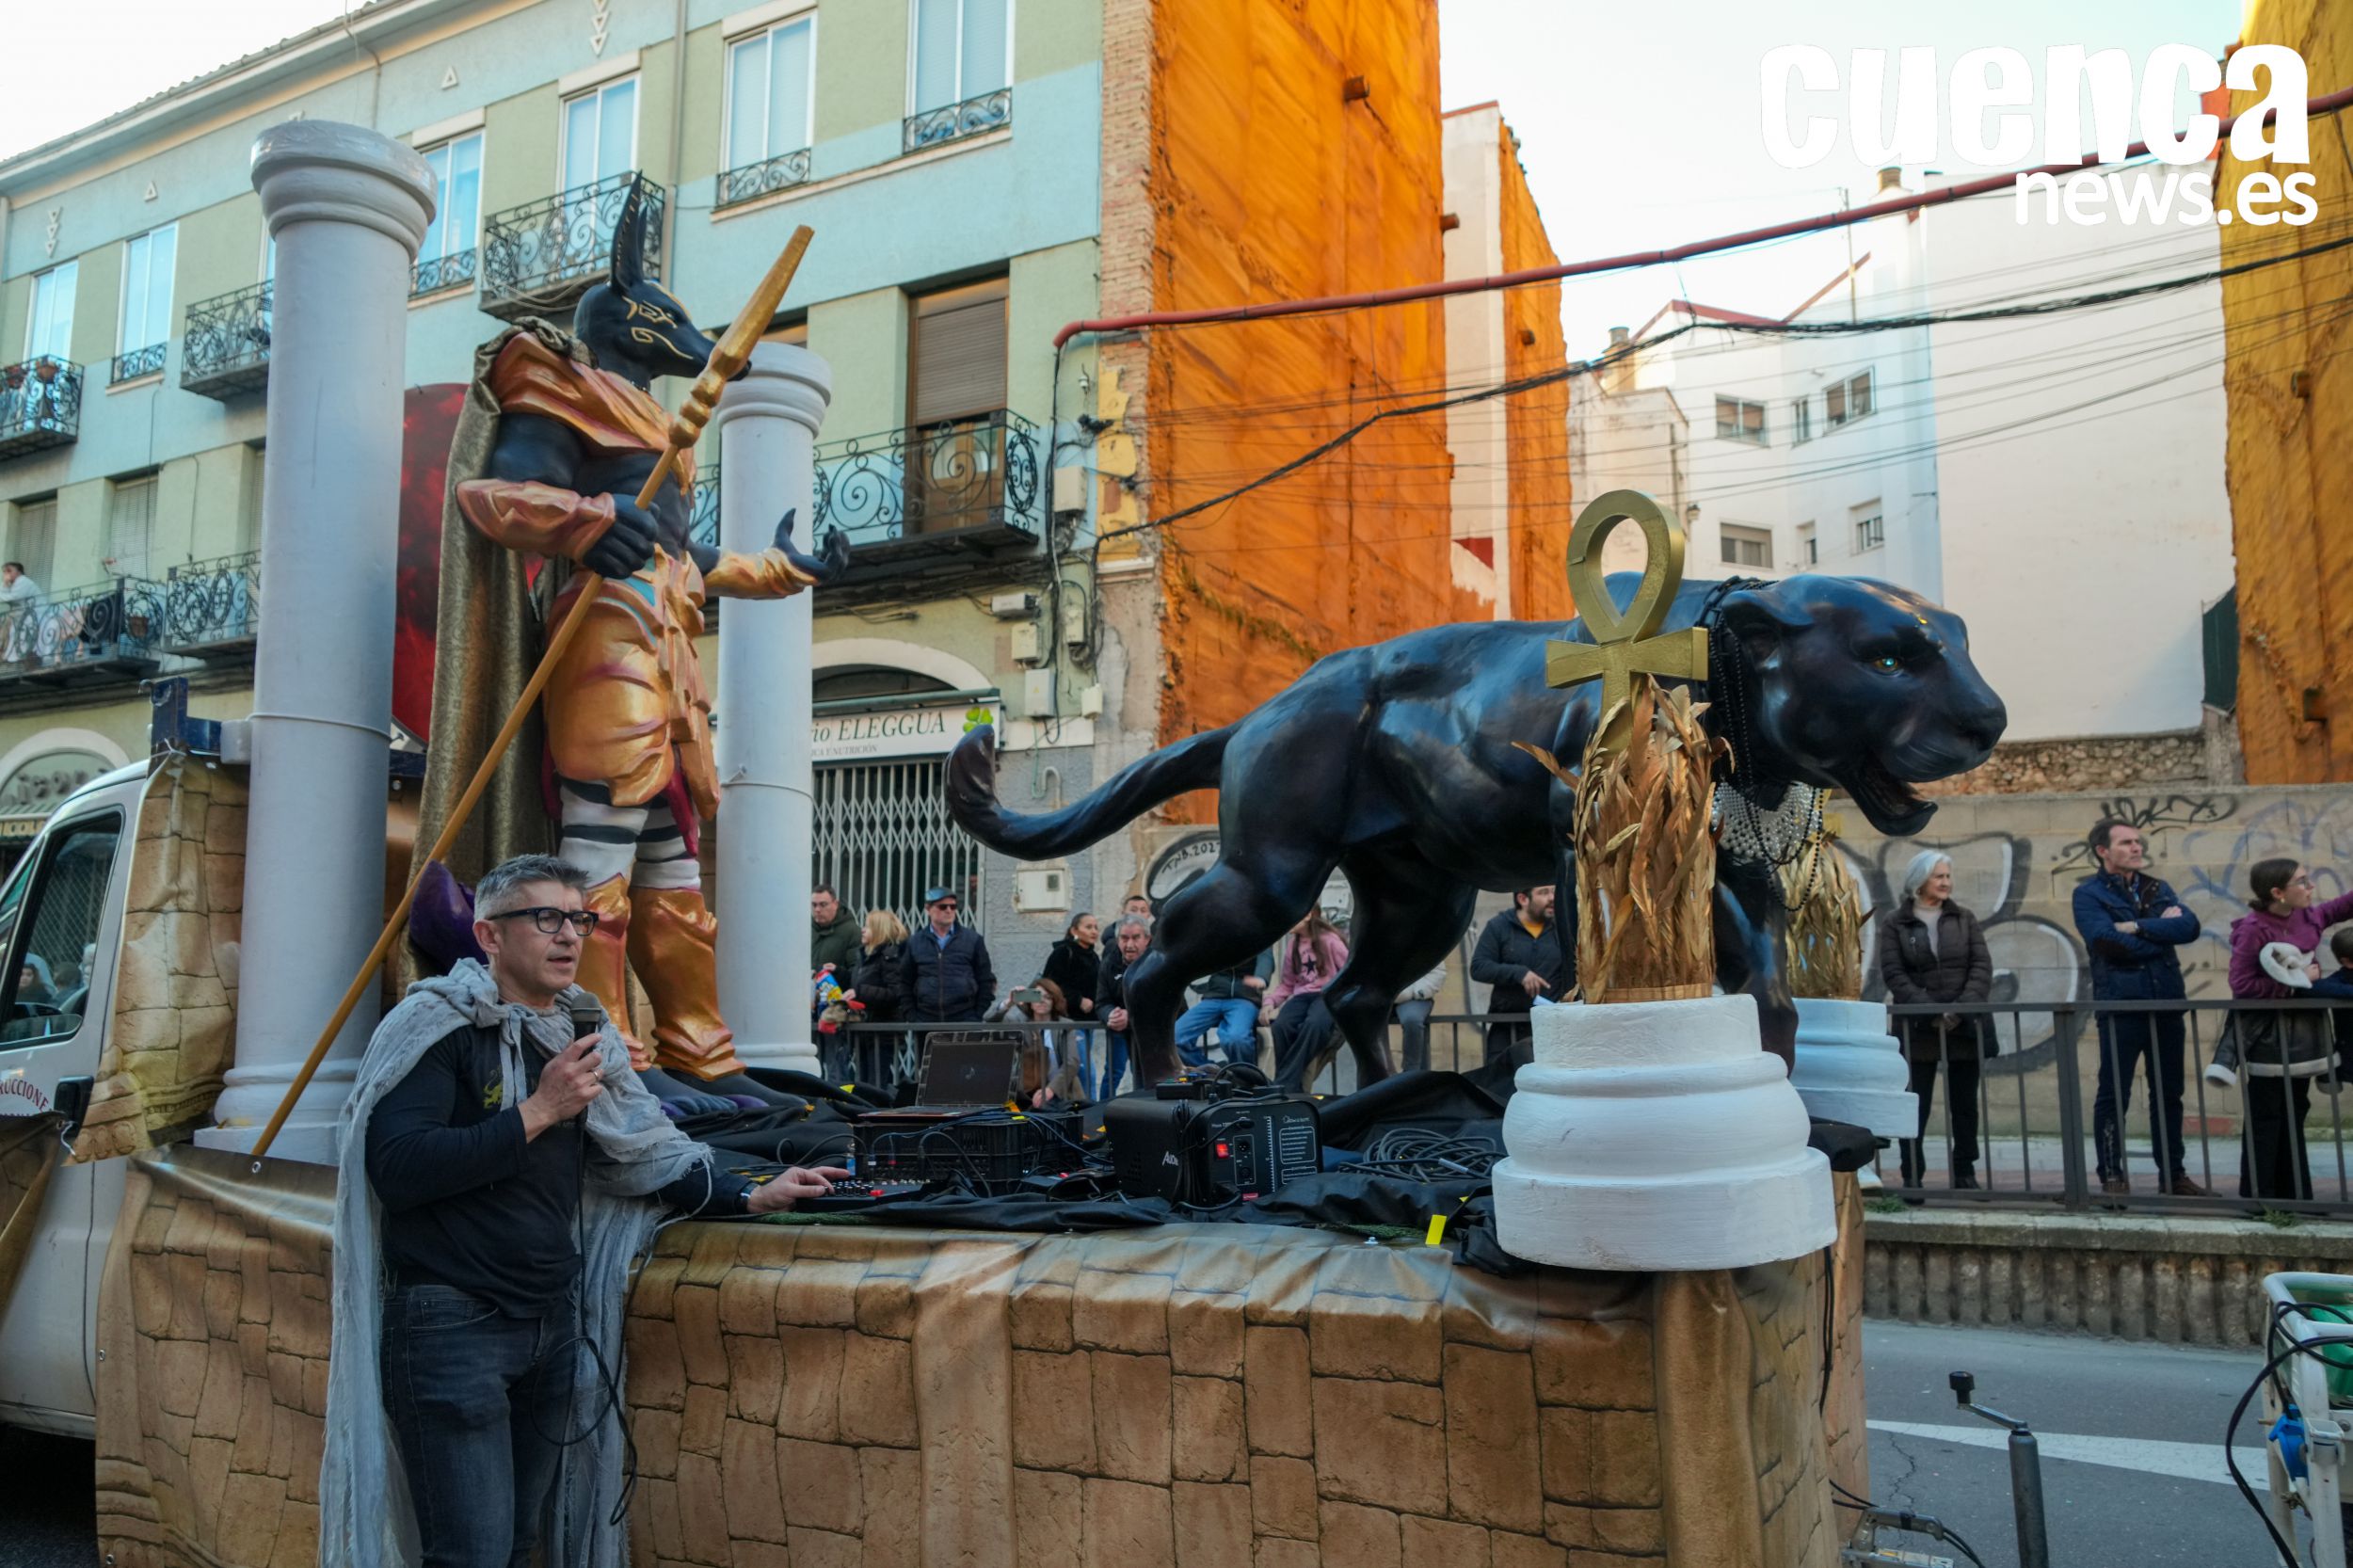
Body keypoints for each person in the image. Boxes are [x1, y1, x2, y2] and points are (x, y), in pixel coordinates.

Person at [322, 855, 847, 1568]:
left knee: (518, 1546)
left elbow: (638, 1148)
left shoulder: (580, 1026)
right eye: (545, 918)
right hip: (453, 1325)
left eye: (578, 918)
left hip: (553, 1320)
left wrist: (750, 1193)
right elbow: (399, 1168)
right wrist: (540, 1110)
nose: (569, 935)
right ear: (489, 935)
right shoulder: (439, 1025)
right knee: (471, 1555)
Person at [2072, 819, 2205, 1196]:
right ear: (2103, 851)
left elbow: (2190, 928)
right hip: (2122, 1005)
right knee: (2114, 1093)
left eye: (2137, 841)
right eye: (2126, 842)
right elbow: (2105, 941)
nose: (2136, 848)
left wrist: (2134, 927)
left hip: (2166, 1003)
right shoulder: (2088, 894)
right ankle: (2112, 1175)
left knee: (2169, 1093)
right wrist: (2159, 934)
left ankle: (2173, 1175)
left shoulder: (2157, 888)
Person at [2220, 859, 2353, 1201]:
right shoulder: (2253, 929)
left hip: (2304, 1035)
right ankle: (2260, 1196)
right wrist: (2295, 982)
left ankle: (2296, 1195)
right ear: (2278, 893)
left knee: (2295, 1110)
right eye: (2302, 881)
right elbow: (2242, 985)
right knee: (2266, 1114)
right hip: (2267, 1034)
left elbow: (2342, 906)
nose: (2311, 887)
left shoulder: (2308, 916)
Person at [1877, 851, 1996, 1191]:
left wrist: (1958, 1010)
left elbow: (1981, 967)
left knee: (1965, 1106)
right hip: (1918, 1028)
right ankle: (1912, 1175)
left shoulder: (1965, 918)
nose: (1946, 882)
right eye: (1938, 876)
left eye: (1947, 876)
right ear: (1919, 880)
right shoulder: (1895, 923)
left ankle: (1964, 1172)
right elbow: (1894, 974)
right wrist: (1930, 1011)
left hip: (1965, 1025)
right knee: (1916, 1105)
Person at [1471, 887, 1570, 1066]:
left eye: (1554, 892)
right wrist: (1519, 973)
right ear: (1523, 899)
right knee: (1500, 1080)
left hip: (1550, 1026)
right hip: (1507, 1025)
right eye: (1543, 893)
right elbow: (1479, 967)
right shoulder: (1499, 926)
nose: (1552, 898)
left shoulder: (1563, 928)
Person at [1268, 911, 1349, 1091]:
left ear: (1308, 915)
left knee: (1315, 1024)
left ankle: (1283, 1082)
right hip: (1303, 995)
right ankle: (1290, 1084)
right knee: (1281, 1025)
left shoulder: (1330, 940)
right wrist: (1270, 1002)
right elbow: (1287, 984)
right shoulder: (1293, 945)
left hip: (1327, 993)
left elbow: (1349, 971)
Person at [901, 886, 996, 1024]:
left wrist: (977, 1014)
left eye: (953, 906)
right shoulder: (915, 942)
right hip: (926, 1019)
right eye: (942, 907)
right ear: (928, 909)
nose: (949, 910)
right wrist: (912, 1016)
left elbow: (986, 979)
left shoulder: (973, 940)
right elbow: (904, 981)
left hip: (964, 1019)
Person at [1098, 915, 1153, 1097]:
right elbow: (1101, 1001)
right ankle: (1104, 1111)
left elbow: (1171, 1005)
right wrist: (1110, 1015)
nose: (1129, 945)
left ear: (1147, 939)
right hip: (1118, 1029)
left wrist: (1131, 1016)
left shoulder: (1158, 962)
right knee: (1112, 1073)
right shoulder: (1109, 963)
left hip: (1151, 1035)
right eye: (1124, 938)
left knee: (1145, 1078)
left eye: (1136, 938)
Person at [1392, 959, 1449, 1075]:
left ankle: (1411, 1072)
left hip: (1415, 996)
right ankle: (1374, 1070)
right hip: (1379, 994)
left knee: (1412, 1019)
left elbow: (1437, 972)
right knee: (1362, 1016)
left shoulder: (1430, 947)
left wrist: (1415, 992)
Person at [809, 884, 862, 989]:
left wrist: (836, 971)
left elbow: (857, 972)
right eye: (814, 905)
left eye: (823, 904)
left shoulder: (852, 932)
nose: (817, 909)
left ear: (836, 904)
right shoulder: (805, 929)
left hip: (836, 995)